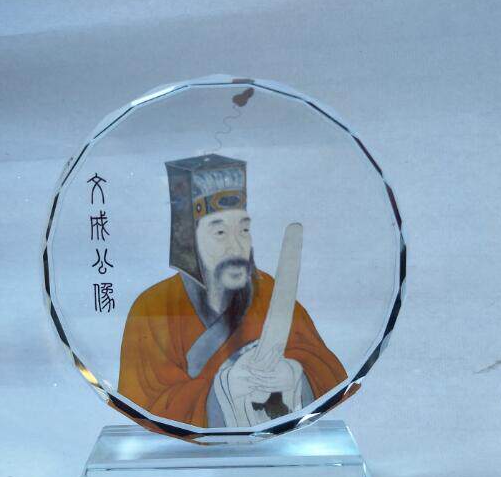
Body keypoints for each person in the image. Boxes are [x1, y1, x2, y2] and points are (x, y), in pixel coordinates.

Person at [118, 154, 346, 427]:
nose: (237, 247)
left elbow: (324, 368)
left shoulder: (269, 291)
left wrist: (293, 374)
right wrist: (223, 389)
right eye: (220, 233)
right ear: (188, 239)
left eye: (244, 230)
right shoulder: (151, 308)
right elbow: (144, 406)